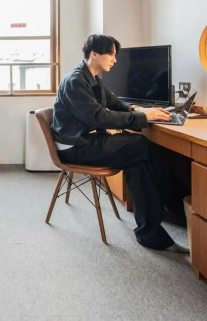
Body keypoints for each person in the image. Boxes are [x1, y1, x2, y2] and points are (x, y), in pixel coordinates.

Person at [51, 34, 187, 253]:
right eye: (111, 54)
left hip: (86, 140)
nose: (115, 60)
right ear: (94, 54)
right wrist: (144, 117)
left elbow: (114, 102)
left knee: (138, 163)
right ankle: (175, 202)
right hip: (75, 147)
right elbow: (98, 117)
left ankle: (151, 233)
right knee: (140, 145)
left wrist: (139, 110)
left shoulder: (92, 77)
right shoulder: (76, 81)